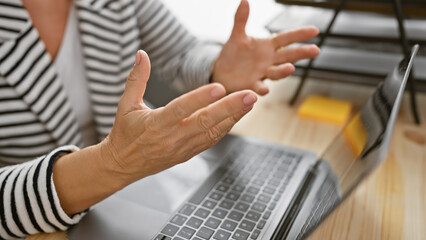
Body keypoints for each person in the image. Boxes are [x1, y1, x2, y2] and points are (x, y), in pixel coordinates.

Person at [0, 0, 319, 238]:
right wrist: (110, 164)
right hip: (37, 223)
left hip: (128, 196)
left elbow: (180, 54)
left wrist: (219, 69)